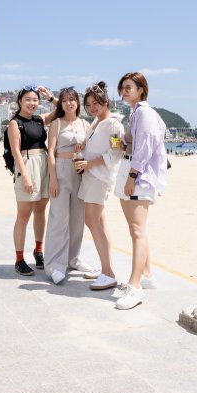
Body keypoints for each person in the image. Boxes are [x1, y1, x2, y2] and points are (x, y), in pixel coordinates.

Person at [114, 72, 167, 310]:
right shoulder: (135, 113)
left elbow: (145, 148)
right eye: (122, 88)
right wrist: (121, 143)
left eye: (128, 88)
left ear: (141, 90)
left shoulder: (145, 114)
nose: (124, 92)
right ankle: (147, 275)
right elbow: (135, 144)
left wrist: (133, 176)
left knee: (137, 230)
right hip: (131, 170)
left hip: (139, 176)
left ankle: (135, 286)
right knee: (137, 229)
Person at [43, 86, 95, 285]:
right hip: (61, 171)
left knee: (77, 219)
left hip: (79, 172)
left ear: (77, 102)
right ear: (61, 103)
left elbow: (91, 148)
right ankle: (54, 265)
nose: (68, 103)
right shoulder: (56, 123)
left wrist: (84, 148)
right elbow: (50, 152)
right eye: (64, 100)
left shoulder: (85, 124)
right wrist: (53, 178)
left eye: (72, 100)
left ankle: (73, 259)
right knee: (58, 219)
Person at [77, 82, 125, 291]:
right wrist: (83, 147)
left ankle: (109, 274)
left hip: (100, 177)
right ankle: (105, 267)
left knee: (91, 220)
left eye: (96, 103)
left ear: (106, 102)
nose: (92, 107)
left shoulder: (114, 124)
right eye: (88, 104)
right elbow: (95, 146)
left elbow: (115, 154)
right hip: (90, 175)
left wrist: (90, 163)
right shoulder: (96, 123)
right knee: (100, 222)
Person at [6, 85, 58, 276]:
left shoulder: (39, 120)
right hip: (27, 166)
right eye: (28, 99)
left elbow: (66, 109)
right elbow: (15, 152)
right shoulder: (15, 123)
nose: (32, 103)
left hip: (44, 164)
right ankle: (19, 259)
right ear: (20, 101)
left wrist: (50, 98)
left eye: (35, 100)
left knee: (40, 211)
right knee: (23, 215)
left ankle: (38, 250)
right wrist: (26, 176)